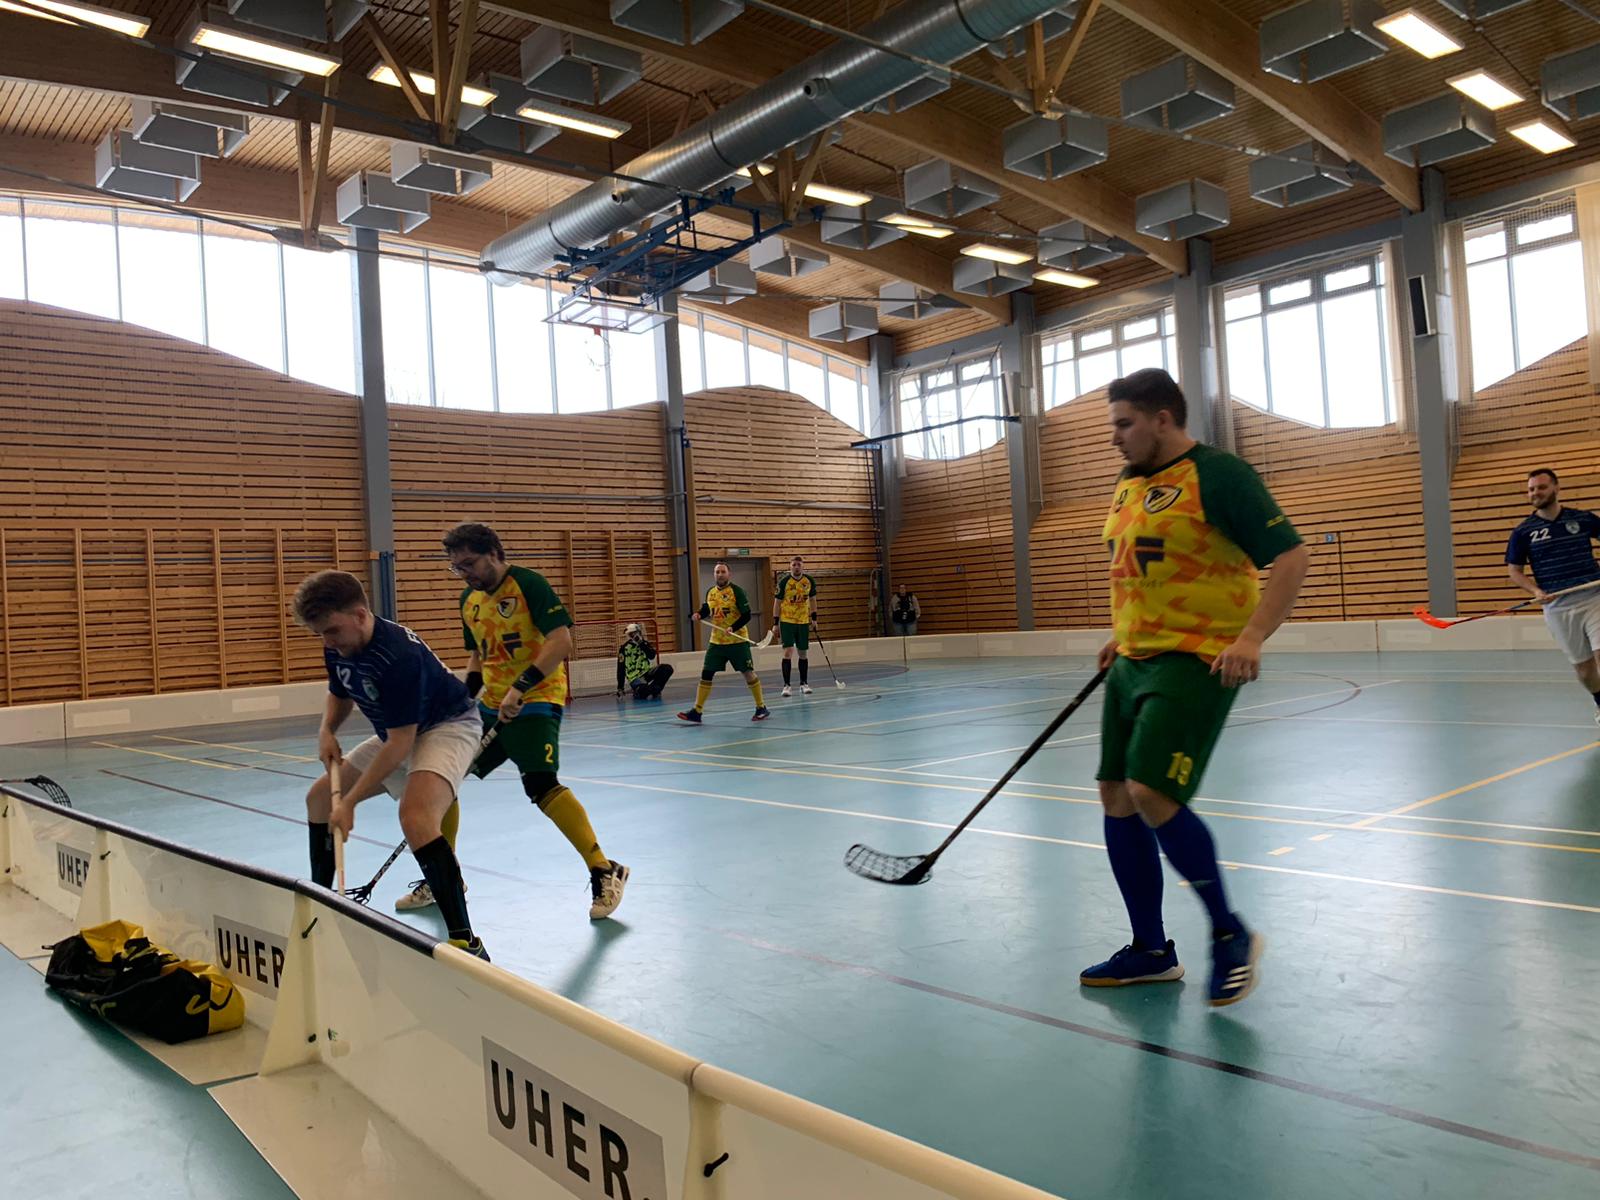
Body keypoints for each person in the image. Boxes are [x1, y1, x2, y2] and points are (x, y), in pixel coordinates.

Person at [1084, 368, 1308, 1008]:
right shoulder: (1129, 482)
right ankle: (1151, 950)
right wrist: (1121, 631)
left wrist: (1253, 636)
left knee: (1151, 790)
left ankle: (1230, 933)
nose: (1115, 438)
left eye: (1124, 424)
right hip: (1133, 657)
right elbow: (1141, 566)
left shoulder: (1220, 475)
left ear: (1162, 419)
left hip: (1197, 657)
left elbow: (1291, 556)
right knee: (1115, 794)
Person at [295, 570, 489, 960]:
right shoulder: (339, 644)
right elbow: (340, 692)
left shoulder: (397, 656)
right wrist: (327, 730)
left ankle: (466, 942)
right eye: (321, 635)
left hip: (447, 726)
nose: (328, 642)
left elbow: (400, 744)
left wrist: (349, 802)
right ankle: (321, 903)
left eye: (332, 631)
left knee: (416, 817)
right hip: (400, 732)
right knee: (318, 798)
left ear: (360, 615)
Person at [445, 522, 629, 920]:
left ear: (494, 554)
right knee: (442, 780)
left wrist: (521, 687)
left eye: (470, 563)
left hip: (536, 698)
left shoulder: (528, 584)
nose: (464, 573)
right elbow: (478, 655)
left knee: (540, 784)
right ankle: (444, 876)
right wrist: (464, 699)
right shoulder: (468, 600)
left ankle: (603, 869)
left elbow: (561, 641)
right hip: (491, 704)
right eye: (457, 567)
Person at [1505, 468, 1600, 723]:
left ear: (1556, 488)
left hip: (1594, 597)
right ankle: (1599, 700)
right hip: (1558, 607)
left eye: (1541, 487)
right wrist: (1535, 591)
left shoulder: (1581, 519)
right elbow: (1514, 571)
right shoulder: (1524, 532)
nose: (1535, 493)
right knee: (1585, 670)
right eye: (1531, 489)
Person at [677, 561, 770, 724]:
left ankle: (761, 707)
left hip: (737, 641)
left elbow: (746, 615)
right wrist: (699, 614)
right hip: (717, 642)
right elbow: (707, 608)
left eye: (722, 572)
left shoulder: (737, 591)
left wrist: (733, 627)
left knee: (747, 672)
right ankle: (697, 711)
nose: (719, 575)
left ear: (729, 574)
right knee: (706, 673)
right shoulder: (711, 592)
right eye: (717, 572)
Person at [775, 556, 819, 697]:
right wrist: (775, 623)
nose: (796, 567)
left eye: (799, 564)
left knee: (803, 653)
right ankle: (787, 685)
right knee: (788, 652)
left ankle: (804, 683)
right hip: (787, 621)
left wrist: (814, 618)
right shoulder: (784, 582)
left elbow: (812, 600)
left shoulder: (809, 581)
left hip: (803, 622)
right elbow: (777, 603)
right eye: (794, 564)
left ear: (803, 566)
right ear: (790, 566)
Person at [616, 622, 674, 700]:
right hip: (635, 677)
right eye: (632, 634)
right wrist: (620, 688)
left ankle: (655, 689)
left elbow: (652, 656)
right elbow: (621, 668)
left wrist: (641, 643)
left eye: (637, 633)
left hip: (647, 672)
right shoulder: (624, 648)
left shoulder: (644, 643)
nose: (635, 635)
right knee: (644, 692)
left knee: (667, 668)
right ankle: (649, 690)